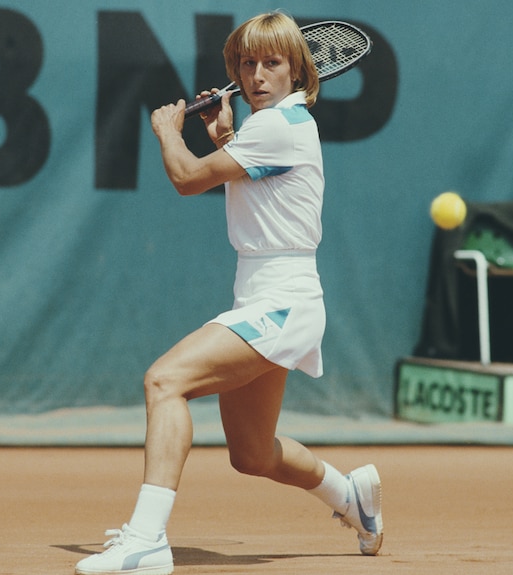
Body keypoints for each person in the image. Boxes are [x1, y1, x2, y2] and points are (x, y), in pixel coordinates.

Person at [74, 12, 383, 575]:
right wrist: (225, 138)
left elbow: (188, 179)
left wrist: (170, 131)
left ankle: (146, 540)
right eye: (247, 63)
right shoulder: (272, 128)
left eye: (272, 62)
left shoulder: (279, 125)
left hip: (283, 301)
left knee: (164, 381)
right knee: (253, 454)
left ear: (297, 71)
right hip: (267, 297)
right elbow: (256, 192)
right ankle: (352, 496)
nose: (258, 74)